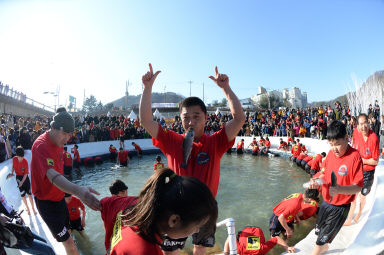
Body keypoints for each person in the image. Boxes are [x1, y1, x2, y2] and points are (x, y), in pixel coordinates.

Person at [139, 64, 245, 255]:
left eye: (196, 116)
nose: (191, 121)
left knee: (200, 248)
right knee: (170, 251)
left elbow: (239, 119)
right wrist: (147, 88)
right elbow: (146, 121)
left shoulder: (216, 142)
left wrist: (226, 89)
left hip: (206, 206)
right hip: (175, 207)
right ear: (180, 119)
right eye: (186, 117)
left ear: (206, 117)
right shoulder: (171, 140)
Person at [30, 107, 101, 255]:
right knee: (69, 243)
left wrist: (73, 191)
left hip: (59, 198)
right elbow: (52, 174)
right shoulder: (41, 145)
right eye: (64, 134)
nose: (67, 139)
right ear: (54, 128)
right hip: (47, 203)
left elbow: (59, 171)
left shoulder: (59, 143)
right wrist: (78, 190)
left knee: (69, 233)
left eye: (69, 135)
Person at [109, 168, 218, 255]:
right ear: (174, 220)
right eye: (197, 225)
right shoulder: (149, 251)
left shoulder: (132, 220)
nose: (197, 230)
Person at [309, 120, 363, 255]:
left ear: (346, 138)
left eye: (338, 144)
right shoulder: (330, 154)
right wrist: (317, 182)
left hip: (340, 208)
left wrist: (340, 189)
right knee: (319, 233)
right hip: (326, 203)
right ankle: (325, 247)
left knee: (318, 243)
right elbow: (324, 175)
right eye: (331, 144)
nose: (334, 149)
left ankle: (320, 248)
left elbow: (358, 187)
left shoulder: (355, 156)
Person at [344, 113, 379, 225]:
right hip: (357, 170)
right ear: (357, 125)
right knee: (353, 196)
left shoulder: (373, 138)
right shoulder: (355, 133)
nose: (363, 126)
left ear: (369, 123)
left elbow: (375, 161)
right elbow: (354, 147)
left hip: (368, 172)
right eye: (361, 124)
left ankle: (359, 213)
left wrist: (362, 159)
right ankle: (349, 219)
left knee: (362, 197)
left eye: (365, 123)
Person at [100, 180, 137, 252]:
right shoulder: (127, 201)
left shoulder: (105, 202)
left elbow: (104, 222)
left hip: (110, 244)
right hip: (123, 244)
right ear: (123, 191)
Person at [223, 226, 296, 255]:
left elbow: (276, 238)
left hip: (251, 231)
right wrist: (226, 252)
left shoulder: (262, 249)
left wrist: (287, 247)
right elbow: (230, 237)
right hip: (247, 231)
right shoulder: (240, 250)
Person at [7, 146, 37, 215]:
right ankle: (28, 208)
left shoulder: (25, 161)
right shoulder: (14, 159)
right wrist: (11, 173)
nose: (22, 158)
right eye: (20, 157)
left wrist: (22, 182)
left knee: (29, 194)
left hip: (25, 179)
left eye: (22, 156)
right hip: (18, 178)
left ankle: (33, 208)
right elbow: (13, 166)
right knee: (23, 195)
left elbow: (26, 173)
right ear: (17, 155)